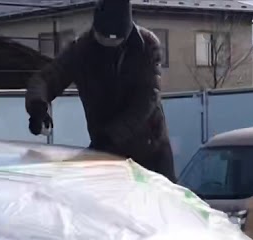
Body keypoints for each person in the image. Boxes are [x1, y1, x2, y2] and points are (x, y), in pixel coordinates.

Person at [24, 0, 176, 181]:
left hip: (151, 155)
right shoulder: (81, 51)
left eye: (116, 42)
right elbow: (47, 78)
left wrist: (111, 138)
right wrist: (37, 106)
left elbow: (147, 99)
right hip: (105, 156)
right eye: (103, 40)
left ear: (127, 34)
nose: (109, 47)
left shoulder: (147, 46)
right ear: (95, 29)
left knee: (157, 207)